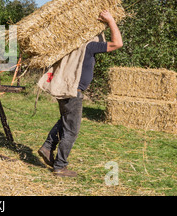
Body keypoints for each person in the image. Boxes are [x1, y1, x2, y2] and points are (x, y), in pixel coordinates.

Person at [38, 10, 123, 177]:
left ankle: (47, 146)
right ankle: (60, 166)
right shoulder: (89, 45)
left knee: (66, 121)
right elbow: (117, 43)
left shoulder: (71, 45)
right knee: (72, 130)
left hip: (65, 89)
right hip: (73, 91)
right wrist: (111, 21)